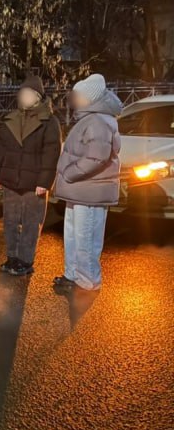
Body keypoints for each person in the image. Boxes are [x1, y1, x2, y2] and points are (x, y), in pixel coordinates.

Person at [53, 73, 122, 295]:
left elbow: (96, 158)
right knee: (74, 235)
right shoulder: (90, 119)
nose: (75, 99)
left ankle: (88, 282)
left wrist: (69, 173)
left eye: (79, 95)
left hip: (89, 189)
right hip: (80, 189)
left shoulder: (99, 121)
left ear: (90, 98)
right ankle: (73, 275)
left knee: (86, 239)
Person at [0, 75, 62, 276]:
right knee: (10, 221)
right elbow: (1, 149)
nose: (25, 97)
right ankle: (12, 257)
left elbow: (52, 153)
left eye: (29, 94)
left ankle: (25, 261)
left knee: (31, 223)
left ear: (38, 97)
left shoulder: (49, 122)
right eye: (23, 94)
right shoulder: (11, 119)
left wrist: (44, 182)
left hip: (34, 183)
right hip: (10, 180)